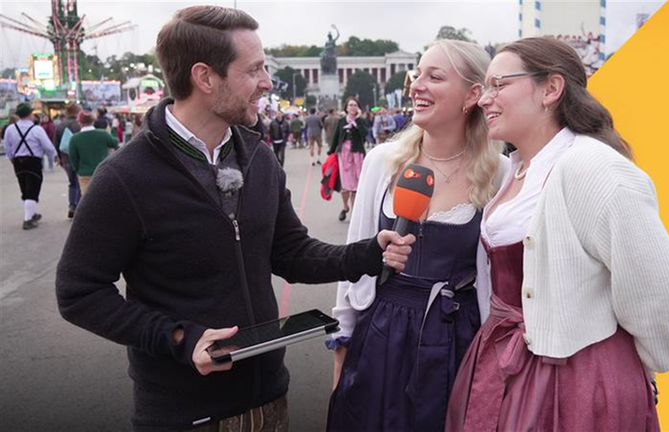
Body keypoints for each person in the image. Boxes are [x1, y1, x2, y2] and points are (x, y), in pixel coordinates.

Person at [55, 6, 414, 432]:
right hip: (185, 414)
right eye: (255, 70)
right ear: (205, 78)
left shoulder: (258, 156)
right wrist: (177, 338)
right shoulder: (126, 177)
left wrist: (368, 253)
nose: (267, 82)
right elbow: (79, 292)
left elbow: (291, 253)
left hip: (269, 399)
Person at [445, 37, 669, 432]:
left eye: (499, 85)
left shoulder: (591, 167)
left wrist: (637, 365)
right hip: (505, 362)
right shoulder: (517, 168)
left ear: (550, 89)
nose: (484, 99)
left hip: (575, 379)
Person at [326, 40, 508, 432]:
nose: (416, 86)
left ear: (472, 95)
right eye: (418, 74)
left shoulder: (501, 173)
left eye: (435, 77)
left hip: (456, 338)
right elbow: (352, 263)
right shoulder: (382, 162)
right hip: (381, 335)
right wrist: (341, 349)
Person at [3, 103, 57, 230]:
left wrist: (12, 158)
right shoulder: (36, 129)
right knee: (32, 189)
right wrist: (54, 156)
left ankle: (31, 213)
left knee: (25, 188)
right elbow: (48, 146)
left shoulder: (10, 129)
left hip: (18, 162)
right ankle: (28, 220)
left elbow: (7, 147)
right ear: (29, 115)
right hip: (33, 161)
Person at [327, 97, 368, 222]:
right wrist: (331, 152)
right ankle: (345, 207)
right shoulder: (341, 121)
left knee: (356, 185)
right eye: (350, 105)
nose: (353, 107)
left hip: (357, 155)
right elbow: (336, 137)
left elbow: (365, 135)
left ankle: (355, 211)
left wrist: (356, 122)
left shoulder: (360, 121)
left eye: (355, 105)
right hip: (344, 155)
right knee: (345, 185)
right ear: (346, 107)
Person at [68, 110, 119, 194]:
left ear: (80, 122)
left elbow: (73, 157)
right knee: (103, 196)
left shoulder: (74, 139)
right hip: (102, 171)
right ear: (93, 121)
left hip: (85, 173)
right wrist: (114, 129)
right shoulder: (103, 134)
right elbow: (114, 143)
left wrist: (78, 169)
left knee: (87, 199)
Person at [54, 103, 82, 219]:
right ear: (77, 112)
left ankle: (72, 205)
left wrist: (58, 157)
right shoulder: (79, 125)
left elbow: (55, 143)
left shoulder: (60, 125)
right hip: (80, 158)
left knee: (72, 182)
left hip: (65, 158)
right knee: (80, 182)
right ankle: (79, 207)